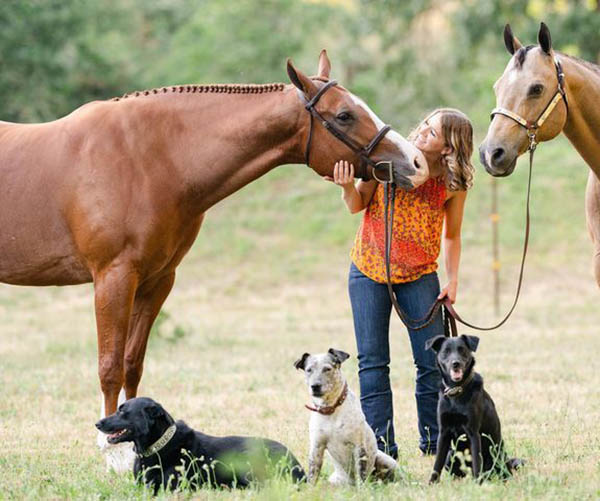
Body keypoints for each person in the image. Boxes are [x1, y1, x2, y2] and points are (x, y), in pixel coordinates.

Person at [325, 108, 474, 457]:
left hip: (420, 276)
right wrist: (347, 187)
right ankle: (381, 450)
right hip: (368, 270)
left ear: (449, 148)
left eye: (432, 132)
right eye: (424, 124)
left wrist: (452, 280)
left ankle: (436, 444)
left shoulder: (453, 184)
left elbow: (452, 236)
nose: (421, 132)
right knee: (373, 363)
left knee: (430, 365)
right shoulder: (389, 157)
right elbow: (356, 204)